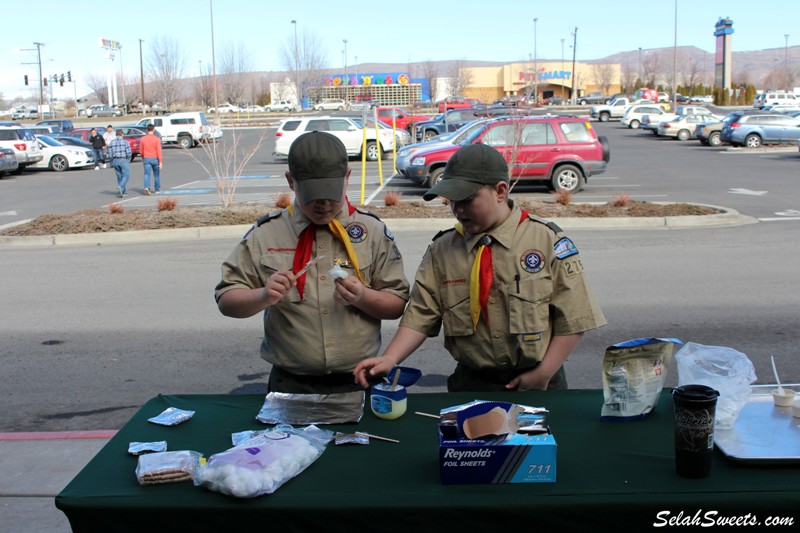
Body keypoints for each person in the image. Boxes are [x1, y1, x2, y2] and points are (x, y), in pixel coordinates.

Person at [354, 144, 606, 393]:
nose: (458, 209)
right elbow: (420, 315)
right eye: (451, 201)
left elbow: (574, 317)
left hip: (539, 381)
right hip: (472, 384)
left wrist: (543, 374)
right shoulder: (442, 250)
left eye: (466, 199)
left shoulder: (546, 241)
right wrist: (389, 359)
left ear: (500, 191)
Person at [214, 131, 410, 394]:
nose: (324, 204)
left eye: (331, 192)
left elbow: (397, 304)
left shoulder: (371, 231)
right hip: (291, 382)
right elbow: (227, 301)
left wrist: (363, 297)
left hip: (359, 379)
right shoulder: (267, 233)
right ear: (291, 182)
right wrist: (263, 295)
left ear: (347, 178)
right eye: (313, 195)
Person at [107, 130, 132, 198]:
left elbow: (109, 154)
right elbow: (129, 153)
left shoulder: (112, 142)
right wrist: (128, 160)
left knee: (119, 176)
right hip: (123, 159)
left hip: (115, 160)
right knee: (126, 175)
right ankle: (120, 187)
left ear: (116, 135)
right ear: (122, 134)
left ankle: (122, 191)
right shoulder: (125, 142)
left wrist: (111, 161)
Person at [139, 124, 163, 195]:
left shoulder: (143, 139)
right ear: (153, 129)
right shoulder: (157, 139)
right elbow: (159, 150)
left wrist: (143, 157)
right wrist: (160, 161)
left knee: (146, 174)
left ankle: (147, 187)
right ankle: (157, 189)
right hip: (155, 158)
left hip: (146, 158)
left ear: (147, 130)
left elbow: (141, 150)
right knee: (156, 174)